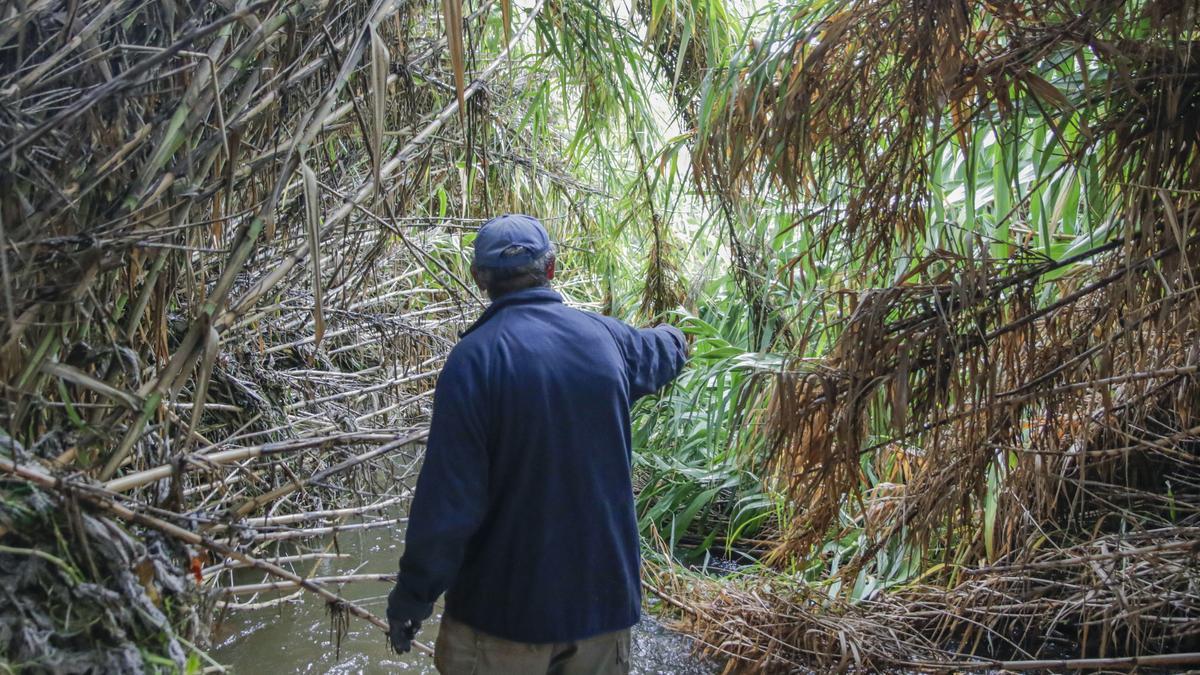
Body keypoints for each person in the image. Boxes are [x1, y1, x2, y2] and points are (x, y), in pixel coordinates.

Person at [385, 214, 688, 674]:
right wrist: (681, 334)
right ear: (551, 269)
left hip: (501, 620)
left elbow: (447, 505)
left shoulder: (472, 362)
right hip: (602, 613)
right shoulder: (607, 340)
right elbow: (663, 350)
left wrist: (413, 596)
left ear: (479, 279)